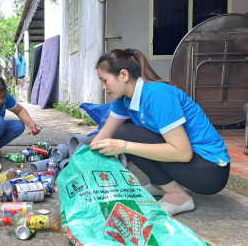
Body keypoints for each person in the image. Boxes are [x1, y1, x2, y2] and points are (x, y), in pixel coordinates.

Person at [89, 48, 230, 215]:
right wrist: (83, 162)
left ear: (124, 75)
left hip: (210, 171)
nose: (104, 87)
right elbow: (103, 136)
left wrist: (123, 146)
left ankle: (178, 196)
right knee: (125, 133)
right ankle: (160, 184)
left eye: (105, 80)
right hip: (194, 163)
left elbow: (183, 153)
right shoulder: (124, 100)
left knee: (125, 134)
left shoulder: (158, 96)